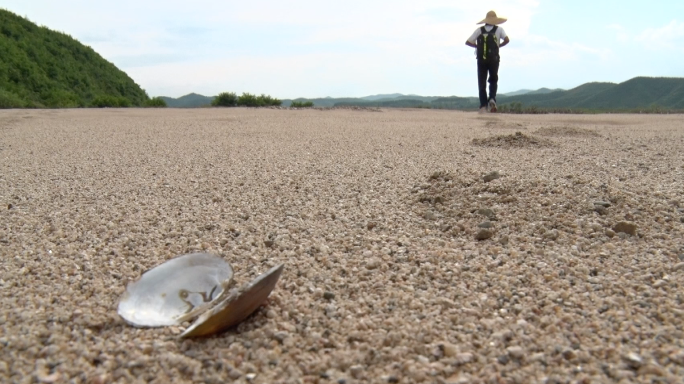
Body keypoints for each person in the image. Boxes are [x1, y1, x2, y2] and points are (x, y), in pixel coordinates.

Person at [466, 11, 510, 113]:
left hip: (481, 59)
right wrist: (499, 46)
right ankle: (492, 99)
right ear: (495, 20)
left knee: (482, 82)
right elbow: (507, 40)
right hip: (494, 59)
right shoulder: (499, 30)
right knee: (493, 79)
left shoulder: (479, 30)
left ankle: (483, 106)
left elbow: (468, 42)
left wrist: (478, 46)